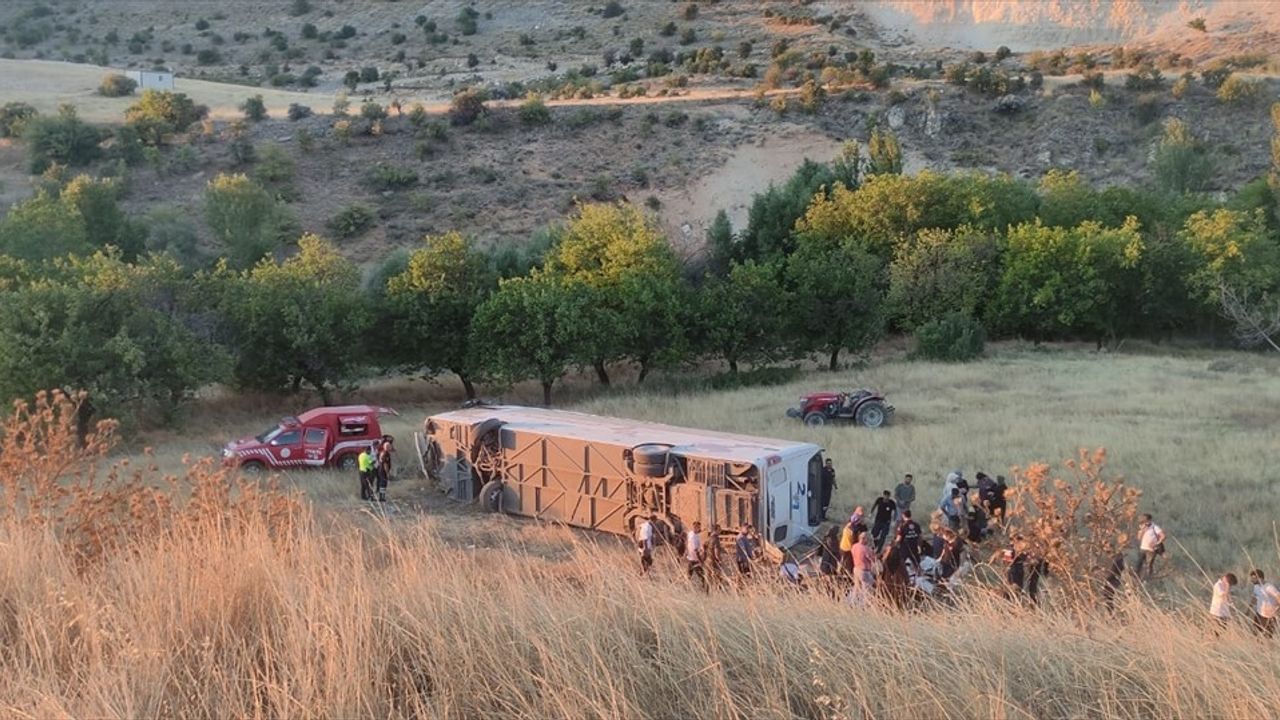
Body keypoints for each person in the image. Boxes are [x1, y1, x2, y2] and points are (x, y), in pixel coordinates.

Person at [1249, 569, 1280, 637]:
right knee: (1255, 633)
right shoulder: (1256, 586)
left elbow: (1278, 597)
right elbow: (1254, 597)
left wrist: (1278, 610)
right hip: (1259, 614)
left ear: (1260, 578)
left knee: (1267, 636)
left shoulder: (1269, 587)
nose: (1252, 580)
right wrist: (1249, 609)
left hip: (1269, 617)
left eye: (1254, 578)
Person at [1136, 514, 1166, 579]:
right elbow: (1139, 538)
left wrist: (1157, 543)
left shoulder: (1155, 527)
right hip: (1143, 548)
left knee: (1149, 564)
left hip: (1151, 549)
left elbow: (1163, 536)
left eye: (1147, 521)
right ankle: (1136, 576)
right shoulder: (1142, 527)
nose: (1146, 522)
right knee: (1139, 563)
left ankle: (1149, 577)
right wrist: (1142, 531)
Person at [685, 522, 706, 589]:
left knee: (689, 575)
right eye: (699, 527)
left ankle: (687, 587)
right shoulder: (693, 537)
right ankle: (704, 588)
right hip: (694, 559)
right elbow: (695, 550)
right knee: (701, 575)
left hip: (691, 558)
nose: (700, 529)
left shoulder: (692, 533)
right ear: (695, 528)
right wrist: (700, 560)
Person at [375, 434, 394, 502]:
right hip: (383, 470)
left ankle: (381, 496)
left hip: (380, 469)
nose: (391, 447)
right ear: (386, 447)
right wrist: (387, 473)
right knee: (383, 483)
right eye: (389, 447)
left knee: (382, 483)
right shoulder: (386, 454)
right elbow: (385, 464)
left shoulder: (382, 452)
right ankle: (382, 497)